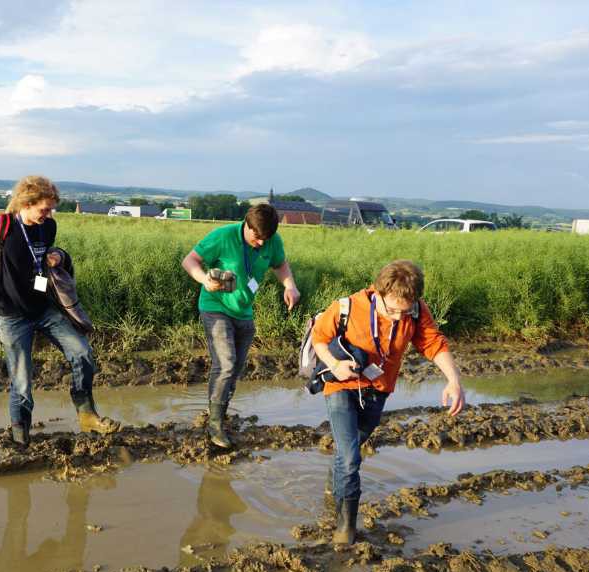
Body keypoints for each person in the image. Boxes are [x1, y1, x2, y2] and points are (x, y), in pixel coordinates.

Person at [311, 259, 465, 545]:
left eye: (404, 311)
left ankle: (335, 483)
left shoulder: (415, 312)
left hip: (378, 390)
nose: (397, 317)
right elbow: (319, 338)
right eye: (392, 309)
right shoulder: (347, 307)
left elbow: (434, 344)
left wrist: (453, 380)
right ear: (378, 292)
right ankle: (345, 530)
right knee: (350, 457)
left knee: (350, 449)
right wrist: (334, 364)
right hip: (342, 385)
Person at [0, 175, 119, 448]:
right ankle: (21, 437)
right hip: (11, 315)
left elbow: (45, 255)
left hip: (45, 309)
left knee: (82, 352)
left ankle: (87, 414)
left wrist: (59, 256)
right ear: (26, 203)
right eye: (44, 209)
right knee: (21, 380)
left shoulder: (48, 226)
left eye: (51, 209)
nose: (48, 214)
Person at [181, 204, 300, 448]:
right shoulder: (223, 236)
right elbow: (190, 260)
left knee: (234, 370)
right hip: (215, 307)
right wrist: (204, 279)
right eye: (257, 237)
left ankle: (218, 411)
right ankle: (215, 425)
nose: (261, 243)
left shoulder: (272, 241)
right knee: (225, 364)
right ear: (247, 224)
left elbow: (280, 265)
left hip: (244, 312)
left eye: (266, 239)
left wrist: (290, 286)